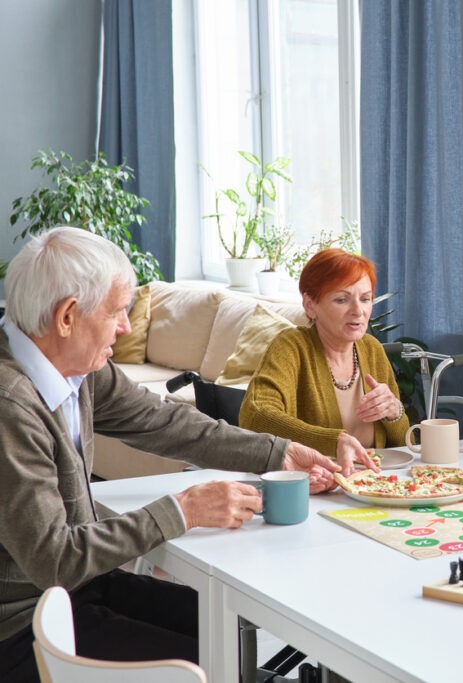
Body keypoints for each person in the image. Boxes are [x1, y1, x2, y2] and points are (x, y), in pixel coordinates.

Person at [0, 227, 341, 683]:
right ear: (67, 317)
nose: (124, 327)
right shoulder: (10, 405)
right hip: (24, 627)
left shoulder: (76, 367)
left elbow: (165, 421)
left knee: (226, 630)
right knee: (219, 661)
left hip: (80, 588)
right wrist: (184, 510)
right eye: (118, 312)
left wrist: (277, 453)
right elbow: (55, 557)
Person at [239, 248, 409, 471]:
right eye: (342, 299)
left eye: (365, 299)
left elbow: (404, 445)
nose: (358, 311)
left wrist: (394, 412)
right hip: (314, 484)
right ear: (311, 305)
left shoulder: (371, 349)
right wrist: (332, 441)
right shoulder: (291, 346)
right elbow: (255, 415)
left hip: (375, 484)